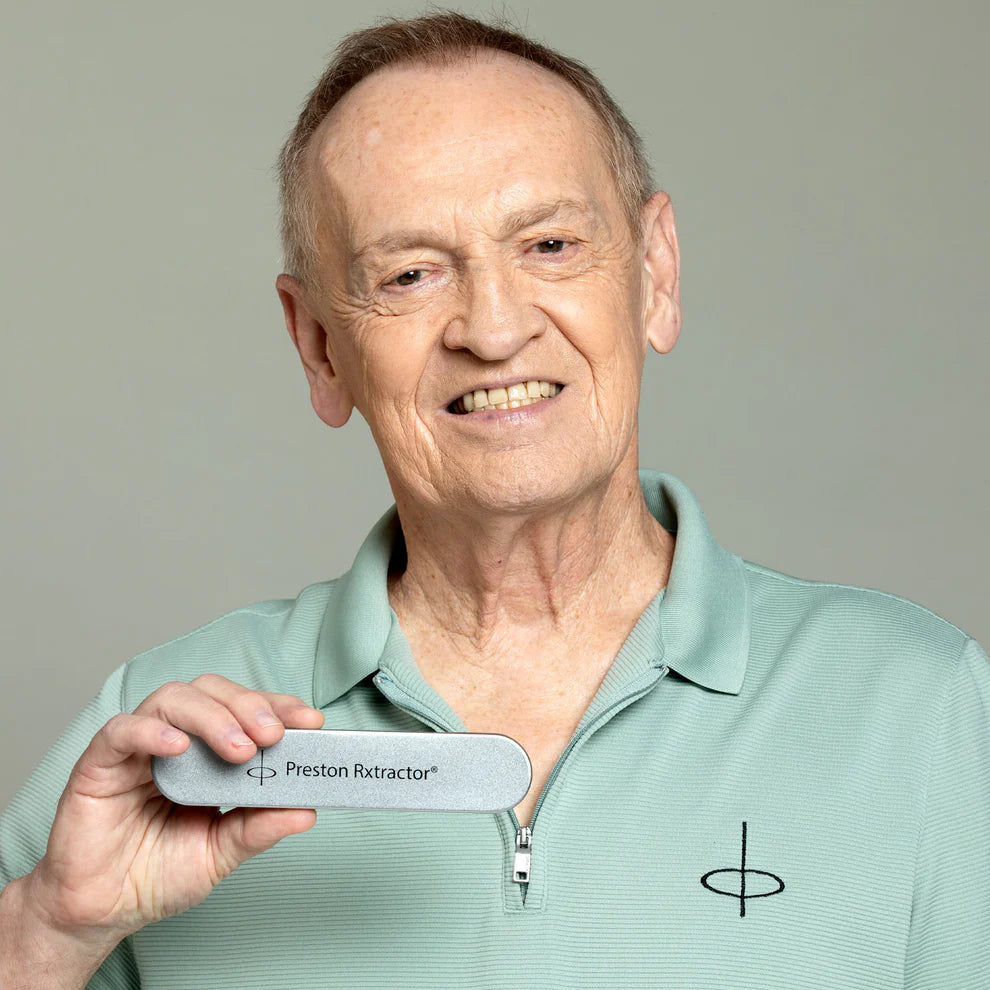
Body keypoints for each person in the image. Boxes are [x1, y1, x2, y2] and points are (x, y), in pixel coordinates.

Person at [1, 11, 987, 988]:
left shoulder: (923, 711)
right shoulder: (159, 741)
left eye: (550, 246)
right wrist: (47, 934)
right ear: (319, 347)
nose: (495, 325)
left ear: (656, 273)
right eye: (411, 273)